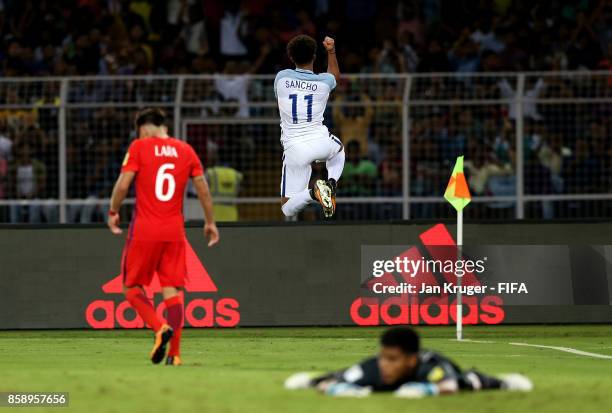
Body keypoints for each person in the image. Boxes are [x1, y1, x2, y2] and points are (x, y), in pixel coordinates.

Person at [107, 108, 219, 366]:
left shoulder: (139, 146)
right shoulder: (186, 150)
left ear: (145, 128)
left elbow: (123, 184)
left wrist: (113, 211)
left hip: (145, 230)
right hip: (174, 232)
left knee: (131, 288)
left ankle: (159, 328)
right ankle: (175, 355)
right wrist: (210, 221)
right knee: (173, 292)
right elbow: (202, 188)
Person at [285, 327, 532, 398]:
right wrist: (334, 388)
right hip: (389, 385)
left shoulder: (430, 366)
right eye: (383, 357)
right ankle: (309, 377)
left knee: (471, 380)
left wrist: (427, 389)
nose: (385, 364)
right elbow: (335, 383)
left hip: (449, 378)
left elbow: (451, 385)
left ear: (411, 359)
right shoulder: (374, 367)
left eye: (392, 359)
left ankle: (505, 382)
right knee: (343, 375)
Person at [275, 34, 344, 219]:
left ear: (291, 57)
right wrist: (331, 51)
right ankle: (331, 183)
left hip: (295, 149)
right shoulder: (324, 81)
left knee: (287, 208)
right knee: (339, 150)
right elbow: (335, 76)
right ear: (314, 56)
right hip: (320, 142)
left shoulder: (281, 78)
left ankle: (314, 193)